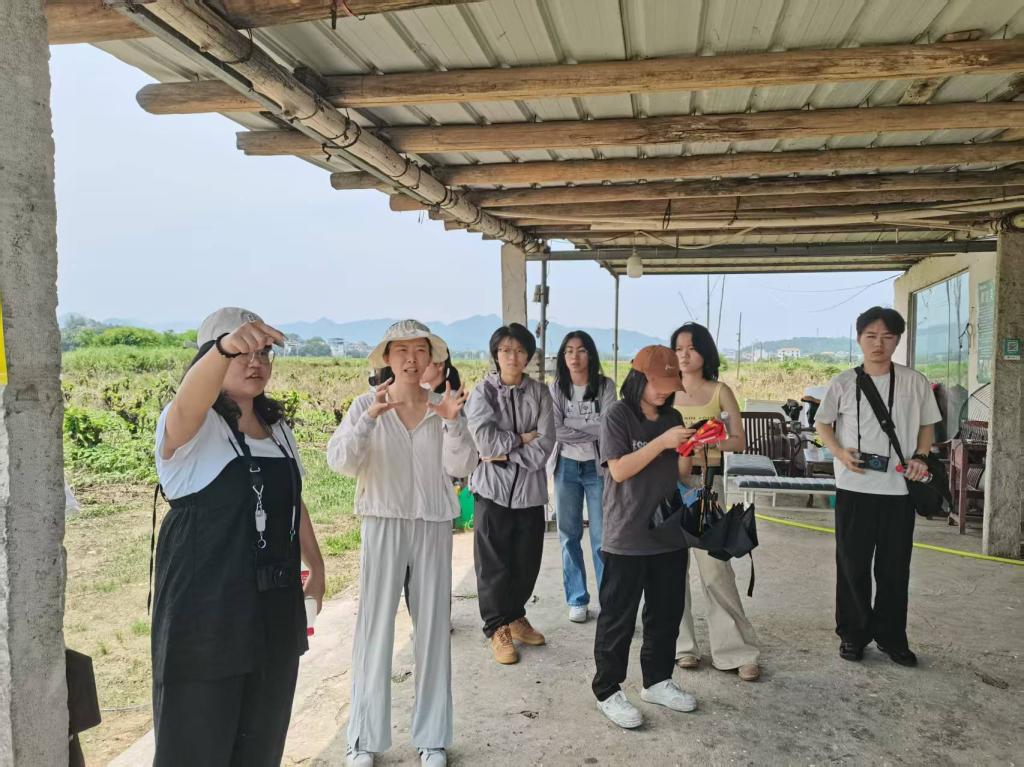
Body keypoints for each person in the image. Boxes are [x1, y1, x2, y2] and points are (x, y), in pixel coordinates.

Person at [152, 307, 325, 767]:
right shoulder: (192, 426)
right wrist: (225, 345)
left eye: (264, 352)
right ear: (210, 357)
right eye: (241, 353)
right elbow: (189, 403)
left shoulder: (278, 429)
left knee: (262, 737)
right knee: (198, 741)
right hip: (207, 611)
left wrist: (317, 563)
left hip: (273, 604)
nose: (255, 362)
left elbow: (293, 500)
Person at [327, 320, 477, 767]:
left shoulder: (442, 406)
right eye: (402, 351)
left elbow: (462, 467)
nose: (411, 360)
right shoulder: (366, 404)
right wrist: (369, 420)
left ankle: (433, 738)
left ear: (431, 358)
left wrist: (453, 424)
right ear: (388, 358)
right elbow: (340, 462)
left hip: (432, 522)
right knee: (374, 627)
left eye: (420, 350)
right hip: (383, 519)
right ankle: (363, 739)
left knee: (433, 627)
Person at [815, 307, 940, 667]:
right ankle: (853, 635)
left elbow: (928, 425)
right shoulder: (843, 382)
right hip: (854, 487)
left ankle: (891, 637)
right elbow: (823, 424)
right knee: (851, 565)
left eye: (887, 337)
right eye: (871, 336)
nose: (878, 344)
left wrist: (921, 456)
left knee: (894, 568)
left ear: (898, 340)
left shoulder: (914, 381)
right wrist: (840, 452)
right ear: (859, 339)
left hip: (899, 490)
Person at [592, 346, 698, 730]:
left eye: (671, 385)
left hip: (668, 531)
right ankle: (607, 689)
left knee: (665, 613)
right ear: (638, 378)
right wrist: (663, 442)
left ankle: (657, 680)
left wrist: (689, 448)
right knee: (618, 617)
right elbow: (619, 470)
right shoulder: (617, 415)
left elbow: (680, 473)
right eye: (658, 384)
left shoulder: (672, 417)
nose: (664, 392)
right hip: (627, 533)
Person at [670, 322, 762, 682]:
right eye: (678, 348)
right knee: (671, 570)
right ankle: (681, 647)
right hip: (669, 487)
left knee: (716, 570)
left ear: (705, 352)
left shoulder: (719, 391)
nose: (684, 354)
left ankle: (736, 651)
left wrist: (705, 442)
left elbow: (738, 440)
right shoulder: (666, 391)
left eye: (691, 347)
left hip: (708, 485)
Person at [465, 322, 555, 665]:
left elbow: (544, 445)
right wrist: (520, 439)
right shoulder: (483, 392)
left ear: (528, 356)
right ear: (496, 355)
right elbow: (484, 443)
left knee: (526, 561)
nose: (512, 357)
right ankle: (497, 627)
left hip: (530, 492)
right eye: (505, 350)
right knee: (493, 564)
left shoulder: (540, 393)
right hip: (492, 491)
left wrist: (505, 453)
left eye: (519, 351)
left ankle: (516, 616)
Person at [549, 330, 616, 624]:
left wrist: (573, 426)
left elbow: (610, 426)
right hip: (566, 466)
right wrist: (591, 429)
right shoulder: (556, 389)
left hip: (597, 468)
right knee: (568, 535)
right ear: (563, 357)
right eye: (569, 351)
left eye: (581, 350)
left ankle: (608, 600)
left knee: (603, 537)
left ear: (590, 354)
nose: (574, 357)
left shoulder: (605, 386)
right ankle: (577, 599)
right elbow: (554, 429)